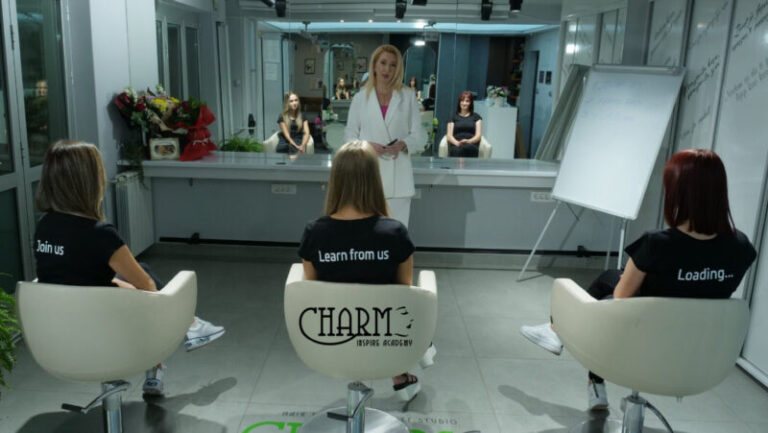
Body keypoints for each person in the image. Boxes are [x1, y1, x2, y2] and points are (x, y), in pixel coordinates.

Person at [519, 149, 757, 411]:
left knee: (608, 295)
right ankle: (557, 334)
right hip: (697, 358)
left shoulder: (657, 244)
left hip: (641, 345)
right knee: (610, 280)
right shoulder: (741, 247)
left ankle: (563, 338)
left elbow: (621, 297)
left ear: (678, 193)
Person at [34, 140, 226, 398]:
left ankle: (184, 337)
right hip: (106, 332)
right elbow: (146, 286)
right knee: (147, 284)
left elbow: (79, 280)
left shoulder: (44, 227)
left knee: (133, 273)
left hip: (58, 337)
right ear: (89, 180)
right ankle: (186, 331)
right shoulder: (99, 234)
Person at [298, 140, 434, 401]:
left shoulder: (314, 233)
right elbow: (402, 294)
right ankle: (406, 365)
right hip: (385, 337)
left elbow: (314, 296)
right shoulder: (394, 232)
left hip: (329, 338)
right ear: (374, 179)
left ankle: (409, 361)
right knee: (404, 302)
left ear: (336, 179)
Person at [345, 44, 426, 227]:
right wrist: (366, 146)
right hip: (368, 175)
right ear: (374, 65)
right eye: (383, 63)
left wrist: (403, 144)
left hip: (399, 180)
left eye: (392, 65)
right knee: (366, 233)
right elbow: (349, 136)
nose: (387, 69)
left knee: (396, 233)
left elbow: (420, 136)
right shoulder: (360, 98)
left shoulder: (408, 96)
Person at [446, 91, 483, 158]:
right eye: (462, 101)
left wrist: (468, 141)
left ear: (471, 103)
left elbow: (478, 136)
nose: (464, 103)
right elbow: (449, 136)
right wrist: (457, 143)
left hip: (471, 145)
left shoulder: (477, 117)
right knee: (458, 150)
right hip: (456, 145)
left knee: (466, 148)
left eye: (467, 101)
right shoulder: (453, 117)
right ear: (459, 102)